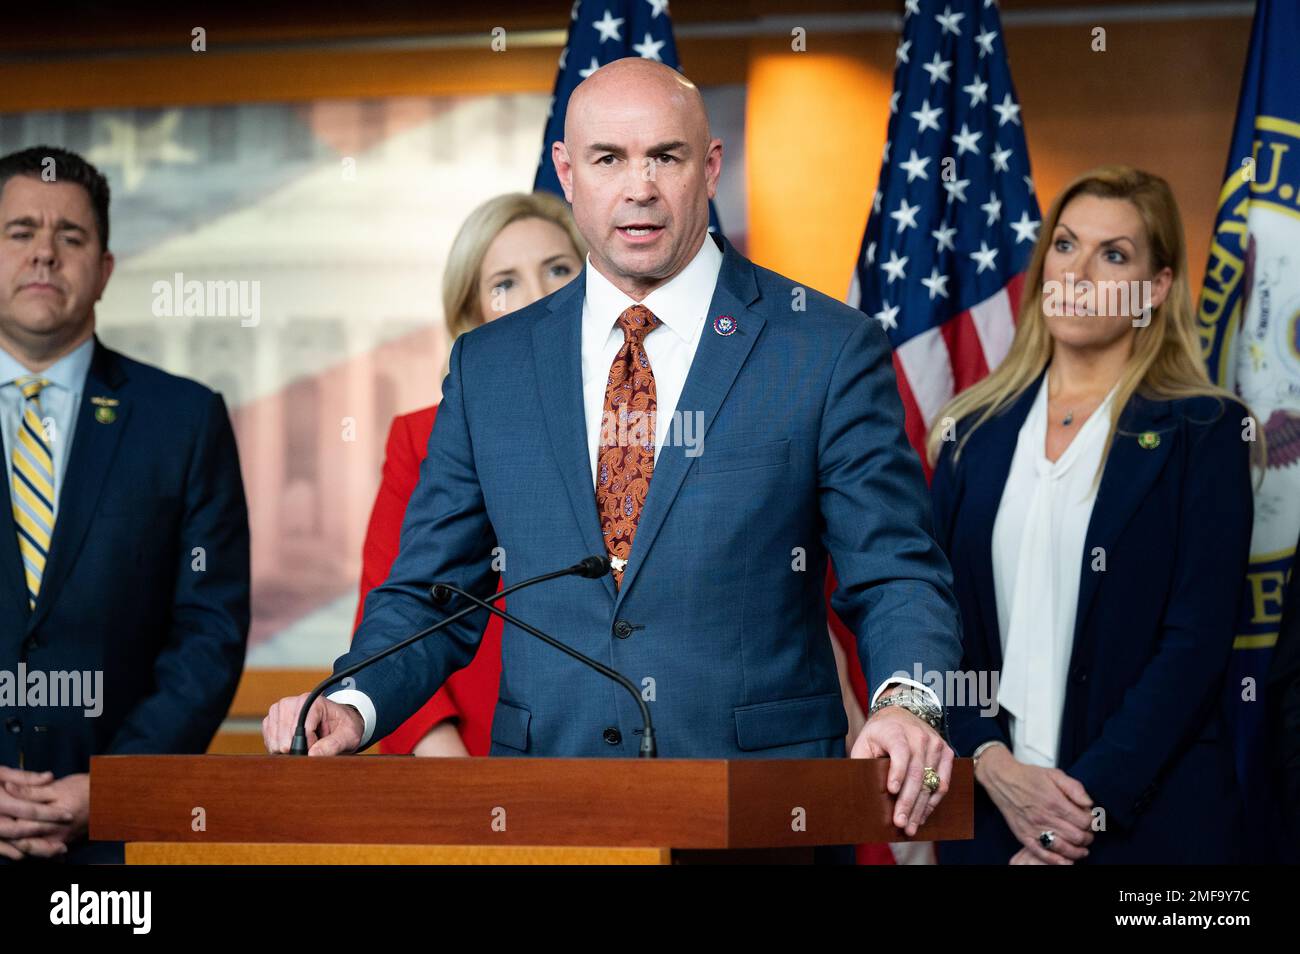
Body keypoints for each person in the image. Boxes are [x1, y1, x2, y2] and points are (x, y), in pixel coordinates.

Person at [266, 57, 961, 839]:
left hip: (761, 811)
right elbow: (429, 591)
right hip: (546, 812)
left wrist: (907, 702)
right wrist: (353, 699)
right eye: (608, 159)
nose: (639, 186)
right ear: (567, 171)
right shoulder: (491, 365)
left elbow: (896, 565)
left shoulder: (824, 348)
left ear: (709, 166)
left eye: (664, 156)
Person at [356, 193, 869, 759]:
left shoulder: (775, 363)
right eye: (505, 282)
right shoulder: (457, 415)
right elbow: (423, 598)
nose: (537, 292)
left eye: (557, 268)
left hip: (740, 770)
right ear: (471, 308)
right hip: (529, 770)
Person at [929, 166, 1256, 864]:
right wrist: (989, 761)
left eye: (1114, 255)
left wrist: (1071, 815)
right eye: (1067, 244)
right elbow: (938, 625)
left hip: (1149, 833)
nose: (1077, 272)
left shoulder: (1207, 432)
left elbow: (1193, 648)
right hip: (992, 823)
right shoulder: (972, 433)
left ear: (1157, 288)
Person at [0, 146, 250, 863]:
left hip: (120, 845)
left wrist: (118, 784)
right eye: (20, 232)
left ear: (104, 270)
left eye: (70, 237)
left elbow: (210, 631)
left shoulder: (184, 420)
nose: (44, 254)